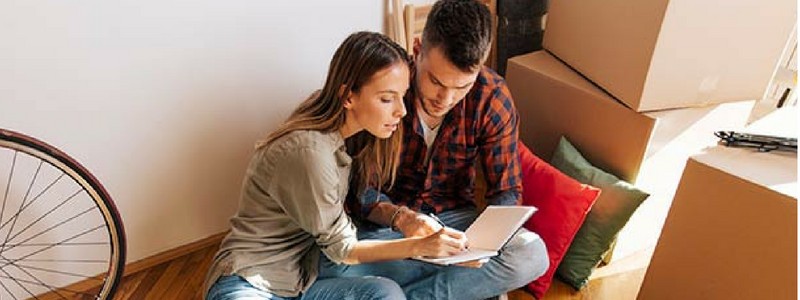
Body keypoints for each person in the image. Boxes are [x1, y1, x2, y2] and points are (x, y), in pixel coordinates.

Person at [204, 31, 471, 300]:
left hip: (298, 282)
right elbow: (343, 250)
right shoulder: (309, 152)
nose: (401, 110)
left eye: (402, 96)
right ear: (348, 96)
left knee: (387, 293)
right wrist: (418, 246)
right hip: (248, 283)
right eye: (387, 99)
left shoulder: (346, 139)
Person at [319, 1, 549, 299]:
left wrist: (487, 239)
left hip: (456, 224)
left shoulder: (491, 97)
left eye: (462, 87)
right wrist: (404, 219)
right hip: (388, 229)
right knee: (330, 266)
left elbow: (506, 190)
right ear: (417, 50)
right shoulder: (385, 90)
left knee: (531, 253)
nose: (446, 98)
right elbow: (362, 192)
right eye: (436, 81)